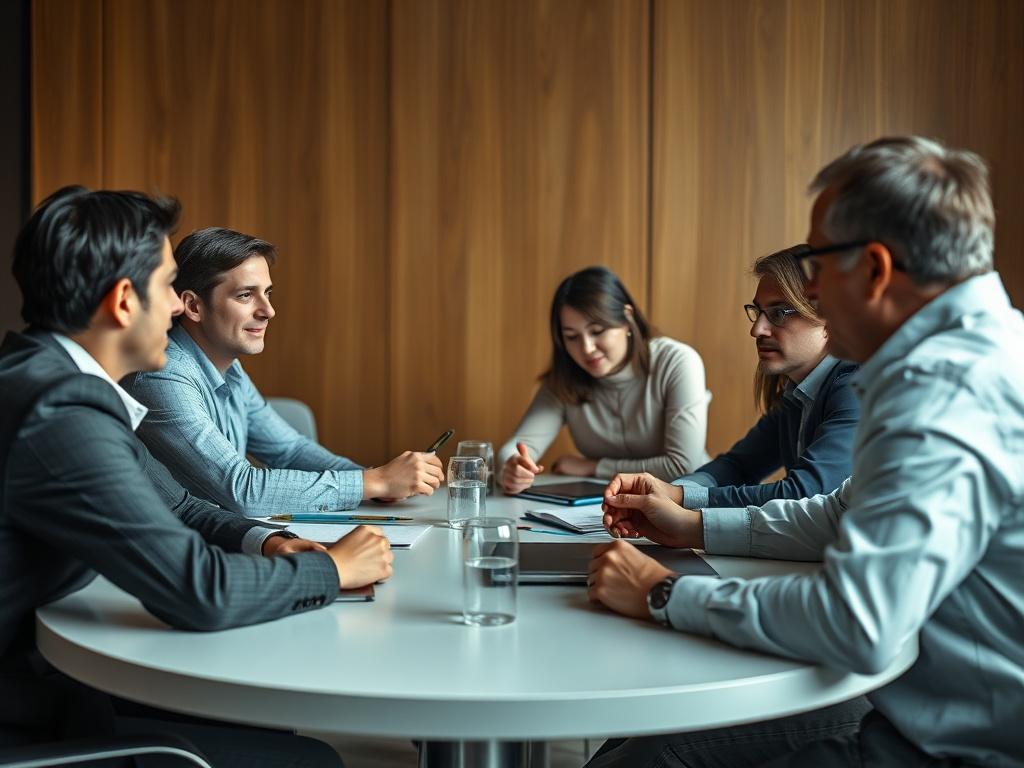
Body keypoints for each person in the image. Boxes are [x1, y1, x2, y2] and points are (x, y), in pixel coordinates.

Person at [586, 137, 1024, 766]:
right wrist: (693, 524)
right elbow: (837, 512)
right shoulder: (970, 354)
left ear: (873, 269)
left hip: (953, 749)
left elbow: (859, 624)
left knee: (647, 757)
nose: (808, 287)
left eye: (816, 265)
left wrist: (664, 595)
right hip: (919, 712)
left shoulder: (942, 395)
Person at [0, 186, 392, 765]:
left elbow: (180, 504)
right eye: (167, 287)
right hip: (34, 713)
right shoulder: (61, 415)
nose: (178, 308)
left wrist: (269, 540)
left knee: (274, 721)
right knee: (315, 760)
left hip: (60, 673)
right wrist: (329, 568)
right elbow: (196, 591)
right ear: (124, 302)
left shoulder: (51, 379)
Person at [123, 227, 444, 517]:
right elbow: (242, 490)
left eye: (268, 293)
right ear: (193, 306)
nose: (268, 311)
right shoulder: (162, 376)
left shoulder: (229, 367)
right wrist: (372, 482)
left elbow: (290, 450)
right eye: (246, 295)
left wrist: (378, 483)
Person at [670, 246, 859, 509]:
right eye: (757, 311)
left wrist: (679, 498)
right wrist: (673, 490)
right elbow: (739, 465)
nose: (756, 329)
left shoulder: (855, 387)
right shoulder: (796, 392)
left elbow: (804, 494)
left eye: (778, 313)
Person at [497, 266, 709, 494]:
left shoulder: (677, 362)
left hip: (686, 502)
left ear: (627, 318)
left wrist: (593, 467)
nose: (587, 348)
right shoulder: (565, 378)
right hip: (605, 509)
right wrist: (511, 468)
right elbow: (518, 447)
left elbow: (682, 465)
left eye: (597, 331)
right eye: (571, 337)